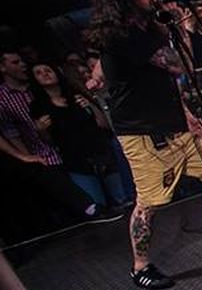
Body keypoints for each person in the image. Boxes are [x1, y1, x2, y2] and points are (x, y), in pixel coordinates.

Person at [85, 0, 202, 290]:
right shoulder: (123, 36)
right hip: (145, 135)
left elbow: (163, 84)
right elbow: (177, 65)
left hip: (175, 125)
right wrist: (182, 27)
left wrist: (186, 115)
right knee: (150, 201)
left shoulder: (144, 31)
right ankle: (140, 266)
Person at [28, 63, 130, 209]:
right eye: (38, 73)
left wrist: (90, 106)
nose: (45, 74)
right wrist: (41, 130)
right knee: (96, 206)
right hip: (76, 161)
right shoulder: (38, 106)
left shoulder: (75, 95)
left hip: (100, 152)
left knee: (123, 199)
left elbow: (104, 124)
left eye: (48, 70)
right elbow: (49, 141)